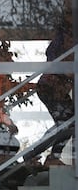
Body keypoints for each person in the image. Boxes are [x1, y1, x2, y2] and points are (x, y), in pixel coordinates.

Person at [36, 23, 74, 166]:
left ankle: (45, 153)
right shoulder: (60, 46)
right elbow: (55, 63)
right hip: (51, 87)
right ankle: (48, 154)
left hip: (54, 88)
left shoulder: (63, 45)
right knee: (68, 121)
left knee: (67, 121)